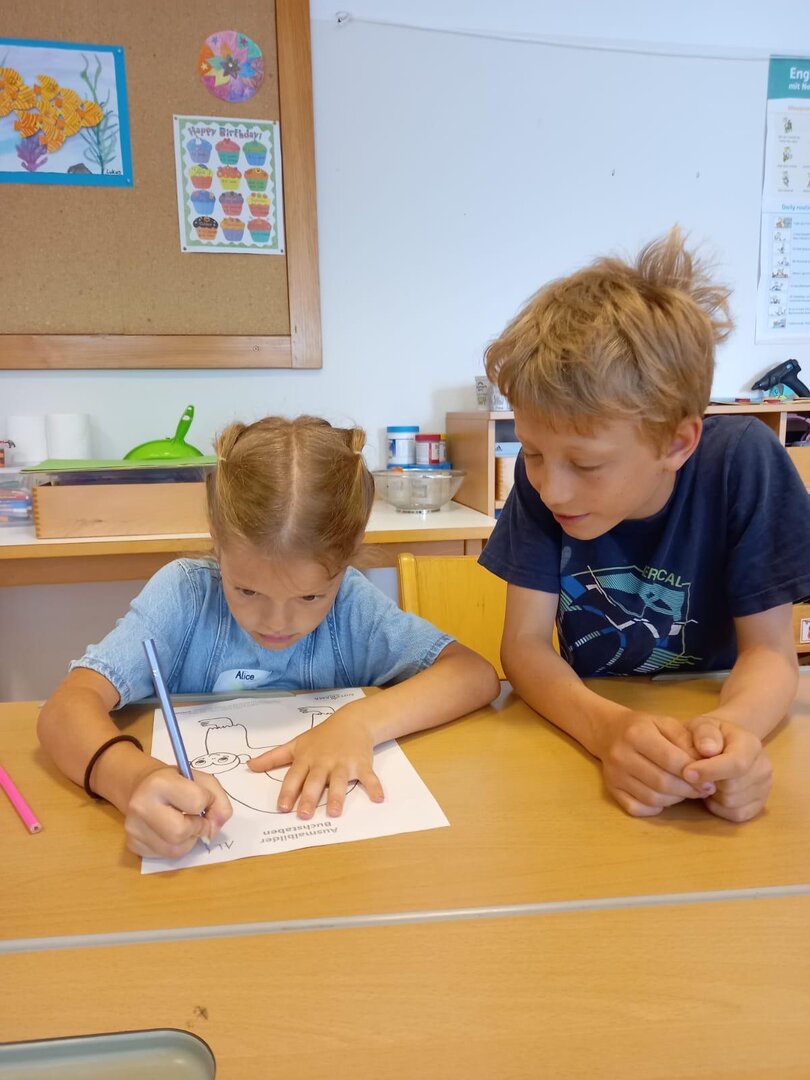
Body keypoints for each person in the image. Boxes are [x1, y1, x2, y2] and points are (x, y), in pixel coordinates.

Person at [39, 416, 500, 858]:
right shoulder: (184, 595)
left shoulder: (352, 605)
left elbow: (472, 674)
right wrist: (133, 779)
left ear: (348, 558)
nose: (276, 622)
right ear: (217, 540)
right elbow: (65, 710)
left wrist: (359, 723)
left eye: (310, 596)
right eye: (248, 590)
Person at [479, 227, 810, 823]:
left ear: (677, 443)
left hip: (712, 704)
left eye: (586, 464)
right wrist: (607, 730)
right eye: (531, 452)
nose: (551, 487)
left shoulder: (744, 462)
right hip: (590, 731)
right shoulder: (542, 482)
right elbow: (524, 647)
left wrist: (727, 737)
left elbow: (771, 653)